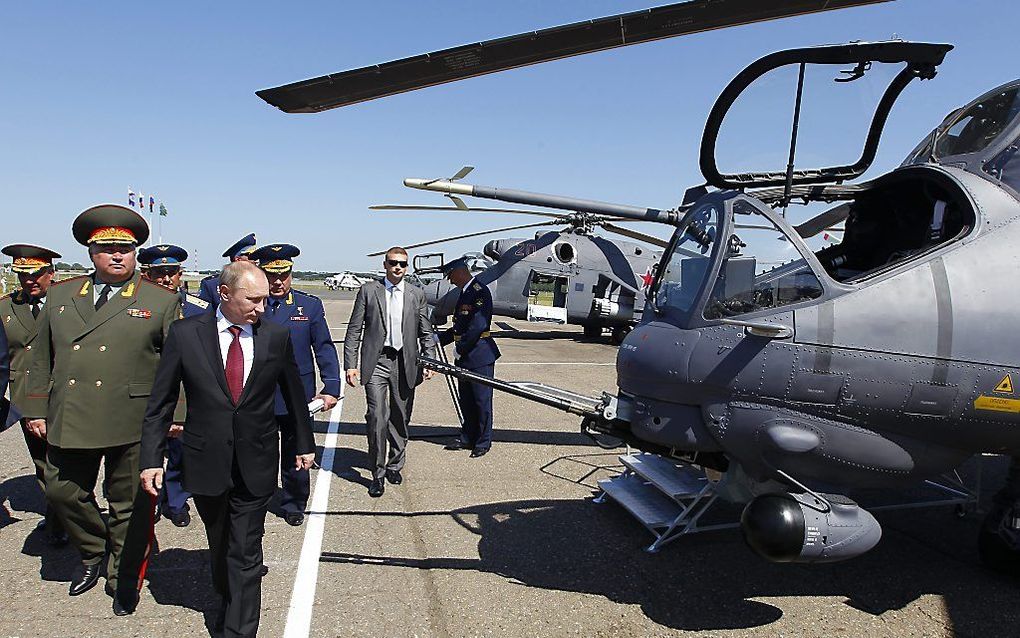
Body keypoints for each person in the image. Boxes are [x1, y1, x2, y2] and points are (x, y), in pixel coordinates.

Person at [139, 260, 314, 637]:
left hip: (257, 459)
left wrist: (303, 443)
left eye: (265, 300)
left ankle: (239, 628)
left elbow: (294, 394)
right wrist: (151, 458)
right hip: (206, 460)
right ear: (224, 294)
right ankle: (226, 596)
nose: (261, 309)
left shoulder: (275, 335)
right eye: (252, 300)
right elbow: (161, 401)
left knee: (246, 550)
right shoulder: (186, 334)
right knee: (220, 544)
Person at [21, 205, 183, 609]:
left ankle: (120, 572)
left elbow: (177, 364)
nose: (116, 256)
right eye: (106, 248)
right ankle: (94, 550)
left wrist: (176, 415)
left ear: (134, 253)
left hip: (132, 415)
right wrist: (35, 408)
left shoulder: (158, 300)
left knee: (129, 501)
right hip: (71, 412)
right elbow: (41, 357)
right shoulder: (60, 295)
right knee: (62, 491)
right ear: (91, 252)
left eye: (124, 249)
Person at [248, 243, 339, 524]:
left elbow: (323, 347)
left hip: (296, 394)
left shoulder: (308, 306)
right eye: (272, 276)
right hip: (257, 394)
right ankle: (256, 498)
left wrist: (332, 386)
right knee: (258, 452)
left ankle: (294, 502)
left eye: (283, 275)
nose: (277, 281)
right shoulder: (251, 307)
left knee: (297, 450)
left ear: (290, 273)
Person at [343, 247, 436, 497]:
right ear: (385, 264)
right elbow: (354, 330)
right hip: (377, 361)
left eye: (403, 264)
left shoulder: (416, 294)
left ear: (407, 268)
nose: (398, 267)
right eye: (393, 263)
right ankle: (378, 473)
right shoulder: (368, 291)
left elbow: (425, 331)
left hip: (405, 361)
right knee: (376, 415)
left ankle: (396, 463)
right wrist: (351, 364)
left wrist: (429, 360)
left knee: (400, 415)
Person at [139, 244, 211, 527]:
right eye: (159, 273)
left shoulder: (198, 309)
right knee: (146, 451)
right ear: (147, 274)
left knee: (181, 452)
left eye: (172, 273)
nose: (166, 279)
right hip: (145, 392)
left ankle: (177, 501)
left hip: (186, 393)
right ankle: (149, 502)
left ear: (180, 274)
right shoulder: (136, 307)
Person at [0, 244, 67, 544]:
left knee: (68, 461)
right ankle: (57, 520)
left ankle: (68, 515)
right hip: (27, 397)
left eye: (37, 274)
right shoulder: (5, 308)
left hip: (65, 394)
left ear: (51, 273)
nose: (30, 281)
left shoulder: (67, 303)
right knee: (42, 463)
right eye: (22, 275)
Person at [438, 259, 500, 457]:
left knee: (481, 401)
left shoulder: (479, 291)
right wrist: (438, 339)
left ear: (459, 272)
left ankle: (483, 442)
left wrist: (461, 348)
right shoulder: (466, 292)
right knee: (466, 400)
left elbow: (478, 326)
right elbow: (460, 326)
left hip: (479, 355)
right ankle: (467, 436)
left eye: (451, 276)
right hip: (466, 356)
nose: (450, 281)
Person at [198, 233, 257, 309]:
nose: (256, 260)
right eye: (252, 257)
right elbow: (203, 314)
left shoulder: (260, 282)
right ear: (238, 259)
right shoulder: (212, 285)